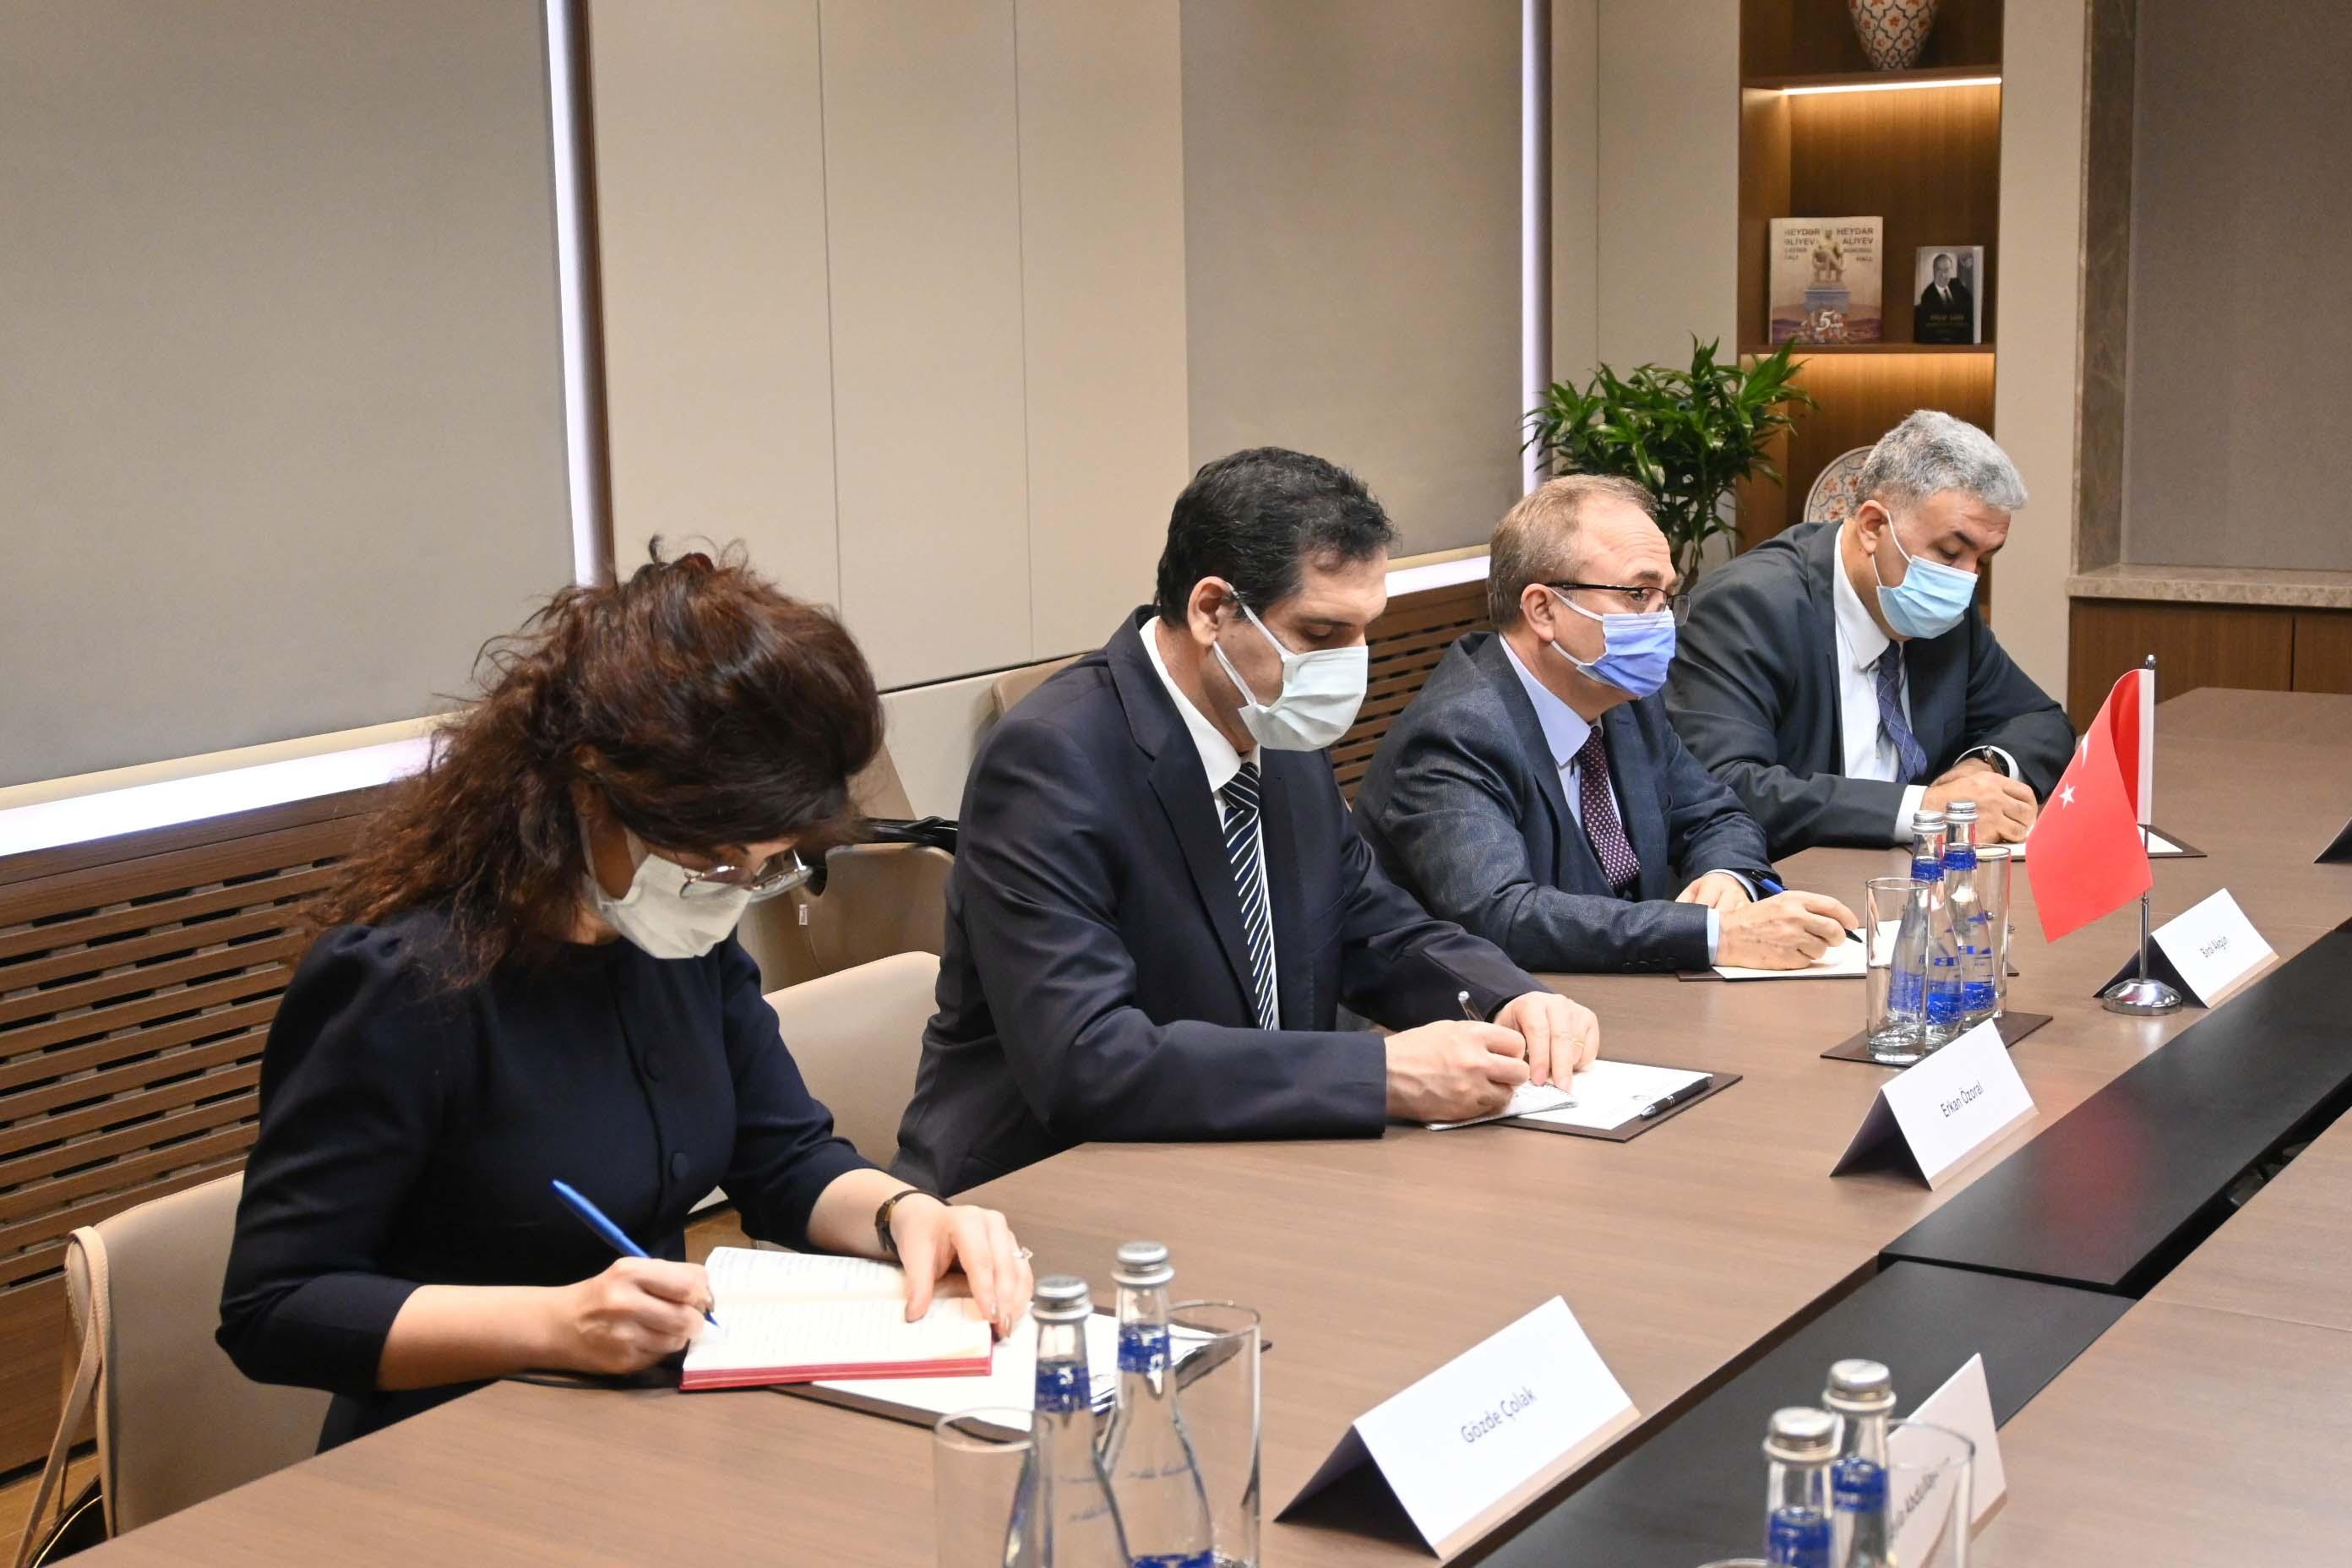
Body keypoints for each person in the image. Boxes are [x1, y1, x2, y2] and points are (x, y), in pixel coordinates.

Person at [218, 551, 1032, 1449]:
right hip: (450, 1447)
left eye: (766, 867)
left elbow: (783, 1156)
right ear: (589, 789)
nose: (734, 893)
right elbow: (277, 1306)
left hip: (638, 1429)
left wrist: (906, 1215)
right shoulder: (405, 982)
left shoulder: (673, 939)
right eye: (715, 862)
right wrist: (558, 1323)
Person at [891, 449, 1599, 1196]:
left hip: (1249, 1162)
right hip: (1038, 1190)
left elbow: (1373, 927)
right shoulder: (1050, 761)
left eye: (1365, 631)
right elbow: (1086, 1059)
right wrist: (1381, 1073)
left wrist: (1509, 996)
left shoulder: (1274, 724)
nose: (1352, 664)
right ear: (1211, 610)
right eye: (1322, 634)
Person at [1355, 477, 1858, 974]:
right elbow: (1503, 915)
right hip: (1496, 1010)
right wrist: (1713, 935)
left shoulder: (1622, 697)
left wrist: (1727, 877)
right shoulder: (1455, 734)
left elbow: (1716, 815)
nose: (1662, 620)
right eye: (1638, 594)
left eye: (1666, 597)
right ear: (1543, 610)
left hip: (1626, 991)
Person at [1667, 410, 2072, 858]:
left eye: (1984, 560)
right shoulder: (1749, 606)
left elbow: (2041, 722)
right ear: (1874, 527)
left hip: (1914, 879)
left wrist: (1982, 768)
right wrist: (1926, 808)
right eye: (1950, 552)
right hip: (1788, 881)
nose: (1966, 580)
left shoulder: (1947, 617)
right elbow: (1725, 784)